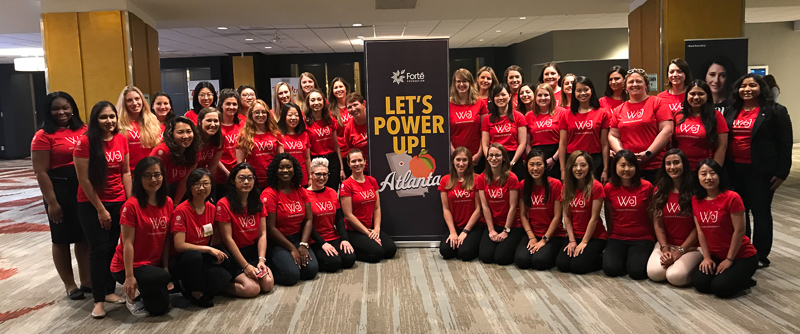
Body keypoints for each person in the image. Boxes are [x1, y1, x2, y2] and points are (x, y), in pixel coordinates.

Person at [725, 73, 793, 268]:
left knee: (761, 212)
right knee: (740, 212)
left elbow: (785, 143)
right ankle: (744, 249)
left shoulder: (775, 111)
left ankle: (761, 254)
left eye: (752, 85)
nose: (747, 89)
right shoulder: (732, 110)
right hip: (735, 169)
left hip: (761, 171)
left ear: (761, 88)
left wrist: (782, 172)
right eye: (743, 86)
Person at [73, 101, 130, 318]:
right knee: (98, 250)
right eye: (104, 117)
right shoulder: (85, 142)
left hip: (118, 201)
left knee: (112, 246)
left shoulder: (121, 139)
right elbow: (84, 179)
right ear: (95, 120)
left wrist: (128, 200)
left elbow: (125, 172)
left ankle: (108, 290)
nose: (109, 121)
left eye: (112, 117)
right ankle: (98, 300)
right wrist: (100, 208)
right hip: (92, 204)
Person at [31, 91, 90, 300]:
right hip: (59, 190)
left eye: (65, 107)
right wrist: (52, 202)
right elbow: (41, 172)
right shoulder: (43, 135)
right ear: (48, 111)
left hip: (84, 188)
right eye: (56, 108)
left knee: (83, 237)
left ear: (73, 107)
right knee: (62, 238)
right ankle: (70, 284)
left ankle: (86, 280)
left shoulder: (84, 130)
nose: (61, 112)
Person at [110, 157, 173, 317]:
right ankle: (132, 296)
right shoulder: (131, 206)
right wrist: (129, 276)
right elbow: (127, 243)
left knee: (160, 308)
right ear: (139, 178)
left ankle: (144, 290)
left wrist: (165, 265)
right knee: (163, 277)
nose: (153, 179)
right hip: (127, 266)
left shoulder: (167, 202)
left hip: (152, 265)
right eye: (147, 175)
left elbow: (165, 238)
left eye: (157, 175)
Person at [692, 159, 758, 298]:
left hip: (741, 256)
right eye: (703, 174)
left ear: (720, 175)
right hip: (716, 255)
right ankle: (732, 276)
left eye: (713, 173)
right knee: (701, 284)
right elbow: (700, 231)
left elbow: (739, 231)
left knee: (721, 288)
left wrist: (729, 259)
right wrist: (707, 257)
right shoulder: (696, 199)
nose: (708, 177)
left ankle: (744, 278)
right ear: (697, 178)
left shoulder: (732, 197)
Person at [170, 169, 232, 307]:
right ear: (190, 187)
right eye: (197, 184)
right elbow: (179, 245)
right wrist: (208, 249)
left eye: (206, 184)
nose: (202, 188)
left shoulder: (211, 208)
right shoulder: (181, 211)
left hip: (202, 254)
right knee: (194, 256)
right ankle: (195, 293)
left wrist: (214, 253)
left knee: (224, 268)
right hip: (183, 258)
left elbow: (215, 239)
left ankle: (192, 284)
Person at [216, 163, 274, 297]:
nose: (246, 182)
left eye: (250, 178)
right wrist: (245, 266)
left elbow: (262, 234)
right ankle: (220, 286)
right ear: (232, 180)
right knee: (251, 289)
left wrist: (261, 260)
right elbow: (227, 239)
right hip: (234, 254)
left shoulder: (258, 202)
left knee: (268, 284)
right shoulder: (223, 204)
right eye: (241, 178)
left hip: (252, 251)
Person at [647, 149, 702, 286]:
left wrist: (680, 251)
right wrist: (665, 248)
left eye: (676, 163)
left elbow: (698, 227)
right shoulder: (659, 190)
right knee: (655, 274)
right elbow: (658, 224)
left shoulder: (696, 190)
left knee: (675, 277)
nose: (672, 167)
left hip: (692, 247)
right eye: (668, 164)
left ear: (684, 165)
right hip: (666, 244)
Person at [608, 69, 674, 182]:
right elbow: (613, 135)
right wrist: (624, 156)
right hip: (628, 167)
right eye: (631, 82)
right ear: (625, 87)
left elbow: (667, 130)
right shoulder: (618, 110)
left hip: (655, 165)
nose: (634, 84)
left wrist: (648, 153)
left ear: (646, 85)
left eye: (638, 81)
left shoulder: (658, 102)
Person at [263, 153, 319, 285]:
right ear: (275, 170)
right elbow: (270, 228)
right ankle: (272, 264)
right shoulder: (269, 194)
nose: (285, 170)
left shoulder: (300, 191)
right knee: (291, 276)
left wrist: (303, 244)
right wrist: (292, 249)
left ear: (295, 170)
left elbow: (308, 219)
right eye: (281, 167)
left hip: (297, 238)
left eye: (289, 167)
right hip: (278, 241)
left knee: (311, 271)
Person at [602, 150, 655, 280]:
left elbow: (652, 215)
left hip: (642, 237)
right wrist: (610, 236)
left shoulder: (647, 187)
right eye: (622, 165)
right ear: (615, 167)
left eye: (631, 165)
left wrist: (654, 237)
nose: (627, 169)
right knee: (611, 269)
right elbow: (609, 215)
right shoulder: (609, 187)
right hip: (618, 236)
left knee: (636, 272)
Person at [340, 149, 396, 262]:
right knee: (377, 254)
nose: (357, 164)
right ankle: (353, 250)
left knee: (390, 250)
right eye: (353, 161)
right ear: (348, 164)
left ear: (365, 161)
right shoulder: (346, 185)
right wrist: (367, 233)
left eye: (360, 160)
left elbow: (377, 208)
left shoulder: (371, 181)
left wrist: (376, 230)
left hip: (371, 228)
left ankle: (369, 242)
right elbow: (348, 215)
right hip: (354, 230)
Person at [556, 151, 606, 274]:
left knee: (578, 266)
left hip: (594, 236)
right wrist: (572, 241)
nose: (578, 169)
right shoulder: (566, 187)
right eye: (574, 165)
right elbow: (566, 216)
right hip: (574, 235)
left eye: (583, 165)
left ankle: (602, 258)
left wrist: (584, 242)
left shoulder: (596, 187)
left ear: (589, 167)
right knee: (562, 264)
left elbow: (594, 218)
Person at [514, 150, 565, 270]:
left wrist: (544, 240)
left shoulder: (556, 184)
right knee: (522, 261)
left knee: (539, 261)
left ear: (545, 166)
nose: (535, 168)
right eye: (531, 164)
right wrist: (531, 237)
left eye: (539, 164)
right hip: (532, 231)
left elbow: (558, 217)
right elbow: (523, 215)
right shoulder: (523, 184)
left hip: (553, 234)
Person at [306, 158, 356, 272]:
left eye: (325, 174)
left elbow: (339, 218)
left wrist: (344, 239)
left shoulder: (332, 192)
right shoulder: (305, 195)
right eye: (318, 174)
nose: (322, 178)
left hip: (332, 236)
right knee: (334, 263)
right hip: (315, 240)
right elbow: (306, 224)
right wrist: (322, 244)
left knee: (349, 259)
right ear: (311, 174)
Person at [476, 143, 522, 265]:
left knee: (502, 258)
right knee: (486, 257)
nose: (494, 158)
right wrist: (491, 230)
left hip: (512, 225)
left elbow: (513, 207)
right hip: (494, 223)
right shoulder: (482, 178)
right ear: (487, 157)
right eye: (491, 155)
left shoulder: (511, 178)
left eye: (497, 155)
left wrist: (506, 231)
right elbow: (484, 206)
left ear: (503, 158)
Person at [559, 76, 610, 182]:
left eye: (586, 89)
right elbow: (562, 143)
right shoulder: (565, 114)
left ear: (591, 90)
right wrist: (563, 170)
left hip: (595, 159)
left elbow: (604, 143)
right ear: (574, 93)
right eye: (579, 90)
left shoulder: (602, 113)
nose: (583, 93)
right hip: (572, 160)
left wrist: (605, 169)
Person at [438, 147, 484, 261]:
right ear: (453, 161)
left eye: (464, 160)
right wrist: (453, 232)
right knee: (446, 251)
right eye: (458, 160)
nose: (461, 163)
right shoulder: (445, 180)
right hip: (456, 226)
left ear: (469, 162)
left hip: (474, 226)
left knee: (465, 253)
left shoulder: (477, 179)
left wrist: (465, 232)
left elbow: (479, 209)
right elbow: (446, 209)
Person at [673, 80, 728, 170]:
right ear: (686, 96)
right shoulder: (678, 115)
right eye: (692, 94)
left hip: (704, 169)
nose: (696, 97)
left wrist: (714, 169)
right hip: (681, 169)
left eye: (701, 94)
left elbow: (722, 147)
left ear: (707, 96)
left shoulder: (716, 116)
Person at [481, 84, 527, 182]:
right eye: (497, 95)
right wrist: (490, 159)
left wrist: (512, 163)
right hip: (494, 159)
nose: (500, 98)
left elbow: (522, 143)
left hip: (513, 158)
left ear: (510, 96)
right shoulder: (487, 119)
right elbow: (485, 145)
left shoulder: (519, 116)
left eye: (503, 94)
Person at [236, 99, 284, 190]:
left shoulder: (276, 133)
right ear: (251, 114)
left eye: (263, 112)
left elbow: (281, 159)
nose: (260, 115)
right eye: (257, 112)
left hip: (273, 179)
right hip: (253, 181)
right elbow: (240, 163)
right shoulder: (243, 135)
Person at [149, 117, 198, 201]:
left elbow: (184, 181)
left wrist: (175, 204)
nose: (186, 136)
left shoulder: (194, 151)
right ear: (171, 134)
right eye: (180, 132)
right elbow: (154, 181)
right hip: (153, 188)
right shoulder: (162, 151)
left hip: (174, 188)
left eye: (189, 131)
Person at [449, 68, 488, 174]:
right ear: (454, 83)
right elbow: (445, 134)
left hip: (476, 157)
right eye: (458, 81)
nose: (461, 84)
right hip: (456, 158)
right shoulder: (448, 104)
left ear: (470, 83)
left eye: (465, 81)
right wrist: (454, 154)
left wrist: (480, 154)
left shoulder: (479, 102)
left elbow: (485, 131)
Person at [305, 88, 345, 189]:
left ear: (324, 101)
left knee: (333, 192)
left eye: (319, 99)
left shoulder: (331, 120)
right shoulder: (305, 123)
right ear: (308, 103)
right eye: (313, 100)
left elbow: (336, 146)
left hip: (332, 161)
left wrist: (341, 168)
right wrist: (310, 174)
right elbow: (307, 155)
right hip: (315, 160)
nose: (316, 102)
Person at [116, 86, 161, 173]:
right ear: (124, 103)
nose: (135, 103)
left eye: (137, 99)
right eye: (129, 100)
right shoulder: (118, 123)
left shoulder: (153, 120)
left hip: (151, 172)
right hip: (129, 173)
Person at [522, 83, 562, 180]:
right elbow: (527, 143)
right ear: (535, 98)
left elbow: (564, 141)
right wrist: (533, 159)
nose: (543, 98)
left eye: (546, 95)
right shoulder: (529, 115)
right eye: (539, 95)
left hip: (557, 156)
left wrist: (554, 159)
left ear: (551, 97)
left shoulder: (562, 112)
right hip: (536, 155)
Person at [215, 89, 245, 198]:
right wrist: (227, 173)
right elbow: (214, 155)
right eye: (228, 104)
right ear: (221, 105)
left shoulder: (242, 125)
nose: (231, 107)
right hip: (220, 177)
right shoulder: (215, 125)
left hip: (239, 175)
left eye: (234, 104)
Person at [278, 102, 312, 186]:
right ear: (284, 117)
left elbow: (307, 158)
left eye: (296, 115)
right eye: (290, 115)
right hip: (286, 178)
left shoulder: (304, 135)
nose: (293, 118)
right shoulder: (278, 135)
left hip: (302, 178)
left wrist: (310, 177)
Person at [343, 93, 370, 175]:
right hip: (362, 170)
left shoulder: (376, 119)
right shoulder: (348, 128)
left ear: (363, 104)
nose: (353, 109)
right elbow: (351, 150)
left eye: (355, 105)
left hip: (381, 165)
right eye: (349, 107)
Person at [328, 77, 353, 165]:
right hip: (342, 154)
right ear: (332, 91)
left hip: (357, 151)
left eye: (341, 87)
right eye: (335, 88)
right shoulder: (330, 110)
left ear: (346, 88)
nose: (338, 90)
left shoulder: (355, 105)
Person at [195, 107, 223, 179]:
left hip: (204, 176)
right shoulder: (192, 138)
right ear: (199, 122)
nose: (213, 124)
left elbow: (213, 165)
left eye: (216, 121)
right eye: (209, 120)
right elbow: (189, 169)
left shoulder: (221, 138)